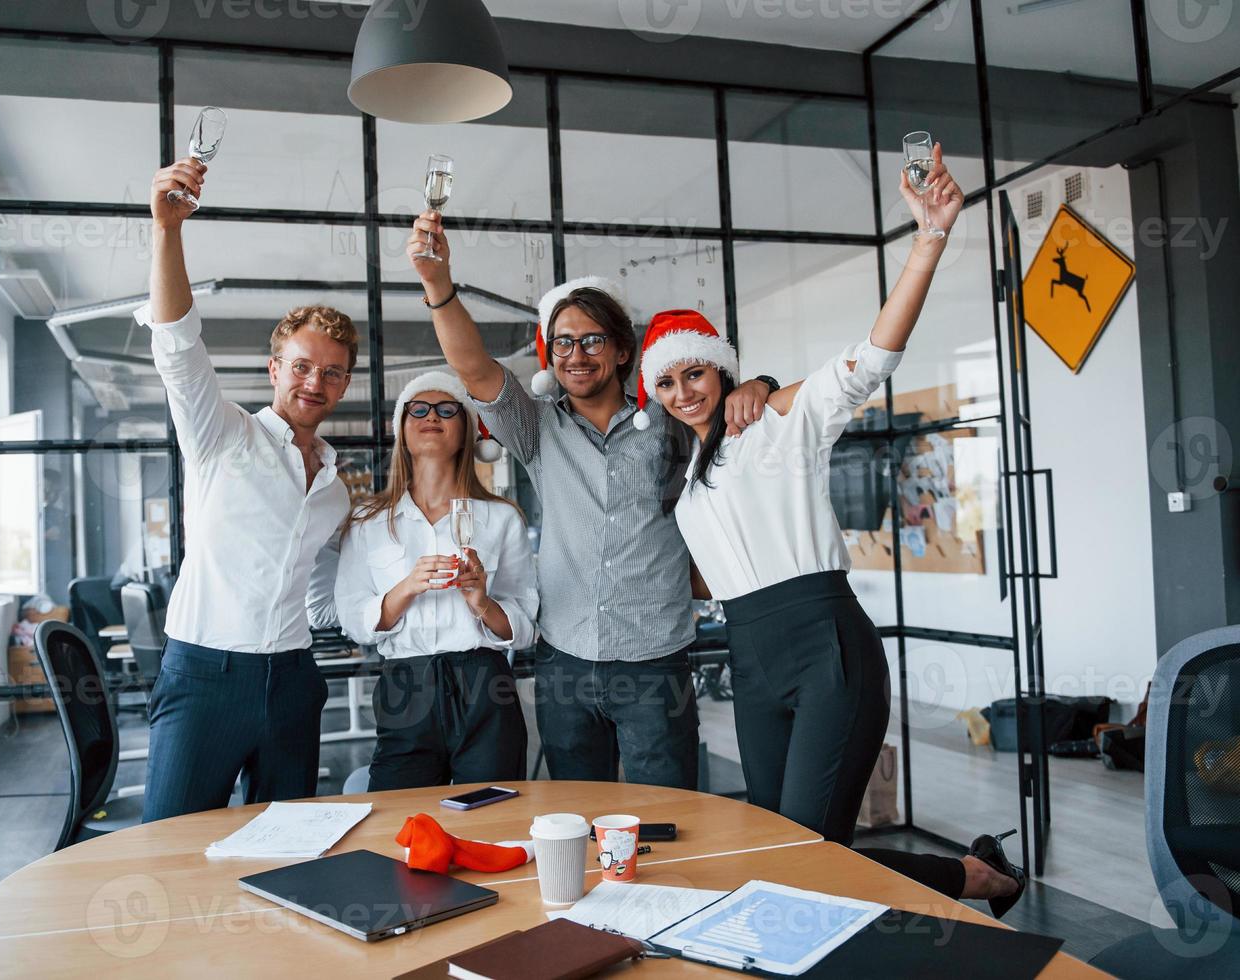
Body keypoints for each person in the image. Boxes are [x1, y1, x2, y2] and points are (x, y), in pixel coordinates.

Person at [639, 143, 1025, 915]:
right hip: (748, 656)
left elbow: (878, 352)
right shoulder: (686, 475)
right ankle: (969, 877)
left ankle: (963, 885)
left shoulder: (780, 422)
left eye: (696, 373)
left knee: (806, 859)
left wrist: (931, 237)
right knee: (785, 853)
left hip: (825, 647)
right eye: (668, 381)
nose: (684, 392)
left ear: (722, 370)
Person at [406, 214, 776, 790]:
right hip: (565, 662)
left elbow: (733, 406)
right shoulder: (535, 428)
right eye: (562, 343)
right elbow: (472, 368)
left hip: (657, 660)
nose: (576, 354)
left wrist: (762, 384)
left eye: (592, 340)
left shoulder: (672, 422)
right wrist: (438, 285)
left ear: (623, 349)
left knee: (668, 817)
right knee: (579, 818)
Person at [137, 155, 356, 821]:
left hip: (294, 680)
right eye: (301, 367)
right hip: (204, 677)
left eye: (333, 373)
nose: (314, 383)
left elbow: (327, 593)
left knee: (286, 851)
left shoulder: (337, 490)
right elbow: (176, 346)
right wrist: (167, 231)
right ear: (273, 368)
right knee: (171, 849)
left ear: (346, 384)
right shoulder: (221, 435)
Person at [335, 371, 538, 790]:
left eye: (448, 410)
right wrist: (407, 586)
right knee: (400, 824)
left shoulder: (501, 518)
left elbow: (524, 629)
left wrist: (481, 601)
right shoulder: (367, 522)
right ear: (402, 431)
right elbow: (356, 622)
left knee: (491, 820)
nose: (432, 416)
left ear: (464, 430)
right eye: (418, 410)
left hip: (485, 684)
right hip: (405, 686)